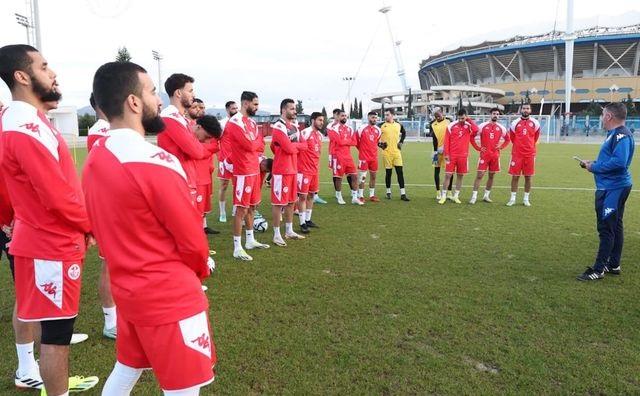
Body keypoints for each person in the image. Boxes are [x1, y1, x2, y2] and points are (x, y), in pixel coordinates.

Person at [88, 61, 216, 395]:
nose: (158, 101)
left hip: (129, 291)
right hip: (168, 295)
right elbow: (192, 239)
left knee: (127, 369)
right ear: (133, 102)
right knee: (184, 387)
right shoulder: (152, 161)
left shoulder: (97, 154)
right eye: (150, 92)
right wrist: (200, 269)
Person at [0, 44, 99, 395]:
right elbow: (55, 195)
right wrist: (90, 224)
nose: (53, 72)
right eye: (44, 66)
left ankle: (48, 382)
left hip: (50, 241)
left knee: (52, 328)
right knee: (57, 338)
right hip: (48, 245)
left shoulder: (30, 120)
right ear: (22, 76)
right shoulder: (22, 124)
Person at [576, 102, 635, 281]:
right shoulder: (614, 134)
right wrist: (592, 162)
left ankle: (598, 269)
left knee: (606, 228)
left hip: (614, 188)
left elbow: (619, 163)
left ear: (609, 116)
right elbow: (611, 159)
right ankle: (614, 264)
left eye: (603, 115)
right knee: (615, 225)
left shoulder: (621, 136)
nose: (601, 118)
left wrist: (594, 167)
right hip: (612, 186)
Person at [86, 93, 118, 339]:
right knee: (110, 265)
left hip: (119, 204)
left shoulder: (112, 128)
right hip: (108, 206)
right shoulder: (100, 131)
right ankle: (110, 322)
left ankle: (121, 315)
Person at [227, 91, 270, 261]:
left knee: (252, 207)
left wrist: (254, 143)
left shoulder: (251, 122)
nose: (257, 107)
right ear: (245, 103)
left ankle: (250, 240)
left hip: (254, 170)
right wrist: (254, 143)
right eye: (255, 104)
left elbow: (259, 144)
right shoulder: (234, 122)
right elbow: (249, 144)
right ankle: (237, 247)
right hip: (243, 172)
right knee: (241, 209)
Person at [157, 73, 207, 204]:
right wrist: (197, 144)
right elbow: (196, 151)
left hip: (185, 179)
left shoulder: (180, 118)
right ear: (178, 93)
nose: (193, 95)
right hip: (178, 182)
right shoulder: (170, 118)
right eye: (190, 91)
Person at [270, 99, 308, 245]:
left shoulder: (294, 127)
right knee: (278, 203)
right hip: (281, 171)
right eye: (291, 109)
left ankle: (289, 230)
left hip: (293, 169)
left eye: (294, 108)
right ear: (283, 110)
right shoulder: (278, 127)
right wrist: (295, 146)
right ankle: (276, 234)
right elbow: (290, 149)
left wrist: (294, 145)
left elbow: (305, 145)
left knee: (292, 202)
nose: (294, 111)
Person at [438, 109, 478, 205]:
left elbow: (476, 130)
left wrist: (469, 120)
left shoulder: (469, 126)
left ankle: (456, 196)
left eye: (463, 118)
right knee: (448, 175)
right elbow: (446, 141)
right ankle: (443, 196)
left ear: (466, 116)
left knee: (460, 176)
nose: (461, 120)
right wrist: (446, 154)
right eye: (459, 118)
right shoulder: (451, 126)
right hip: (452, 156)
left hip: (463, 156)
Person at [469, 108, 510, 204]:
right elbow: (472, 137)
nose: (495, 115)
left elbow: (508, 139)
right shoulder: (482, 126)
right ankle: (474, 196)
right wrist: (478, 148)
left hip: (495, 156)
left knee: (491, 176)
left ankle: (486, 196)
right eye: (494, 113)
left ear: (499, 116)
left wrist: (501, 147)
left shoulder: (501, 128)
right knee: (480, 175)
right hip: (484, 155)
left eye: (497, 114)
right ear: (490, 115)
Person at [192, 115, 222, 235]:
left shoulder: (206, 131)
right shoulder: (187, 133)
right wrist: (203, 150)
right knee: (195, 210)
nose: (207, 140)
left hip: (206, 174)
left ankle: (203, 228)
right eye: (196, 107)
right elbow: (195, 151)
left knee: (203, 207)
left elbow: (215, 147)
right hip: (195, 177)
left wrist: (202, 149)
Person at [506, 103, 540, 207]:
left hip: (529, 154)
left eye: (527, 108)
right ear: (521, 110)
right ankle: (512, 199)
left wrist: (529, 147)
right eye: (524, 108)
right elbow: (512, 138)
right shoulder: (515, 123)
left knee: (528, 177)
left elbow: (535, 138)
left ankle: (526, 199)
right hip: (517, 154)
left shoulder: (535, 123)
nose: (525, 110)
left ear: (530, 110)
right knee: (515, 177)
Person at [327, 109, 362, 205]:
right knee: (338, 177)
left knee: (354, 176)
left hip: (348, 156)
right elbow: (339, 142)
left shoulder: (349, 128)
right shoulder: (333, 128)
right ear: (337, 117)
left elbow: (354, 142)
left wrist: (345, 141)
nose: (344, 117)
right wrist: (347, 141)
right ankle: (339, 195)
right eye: (342, 116)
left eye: (345, 116)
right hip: (337, 155)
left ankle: (354, 197)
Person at [297, 112, 324, 231]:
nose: (321, 122)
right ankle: (302, 223)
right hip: (304, 170)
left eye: (322, 120)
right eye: (319, 120)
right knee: (303, 196)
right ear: (313, 120)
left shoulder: (320, 135)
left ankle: (308, 219)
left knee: (312, 195)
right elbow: (297, 147)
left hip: (314, 170)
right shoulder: (305, 132)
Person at [380, 108, 410, 201]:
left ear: (392, 115)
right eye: (385, 115)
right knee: (388, 173)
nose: (386, 116)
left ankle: (403, 194)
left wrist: (401, 142)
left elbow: (404, 133)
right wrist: (380, 144)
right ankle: (388, 192)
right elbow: (376, 137)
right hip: (386, 153)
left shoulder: (398, 125)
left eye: (388, 114)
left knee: (400, 173)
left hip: (397, 152)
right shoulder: (381, 125)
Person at [217, 100, 238, 223]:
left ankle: (236, 209)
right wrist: (221, 156)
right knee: (224, 186)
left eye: (236, 108)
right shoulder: (222, 123)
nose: (235, 110)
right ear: (227, 110)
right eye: (233, 108)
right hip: (224, 161)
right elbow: (216, 140)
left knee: (237, 185)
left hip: (237, 161)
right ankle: (222, 212)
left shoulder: (239, 123)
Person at [356, 111, 381, 202]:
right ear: (368, 118)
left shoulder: (378, 130)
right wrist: (362, 150)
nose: (374, 119)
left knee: (373, 176)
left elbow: (376, 142)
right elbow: (356, 142)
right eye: (372, 117)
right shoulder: (361, 128)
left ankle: (372, 195)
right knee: (362, 177)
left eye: (375, 118)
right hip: (364, 158)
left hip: (374, 157)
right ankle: (360, 195)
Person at [429, 108, 452, 200]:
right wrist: (435, 151)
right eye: (435, 116)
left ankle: (449, 192)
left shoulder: (449, 122)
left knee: (449, 172)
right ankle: (438, 192)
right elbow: (434, 139)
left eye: (438, 115)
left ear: (443, 113)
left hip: (448, 151)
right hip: (436, 152)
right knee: (436, 170)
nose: (437, 117)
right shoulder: (432, 124)